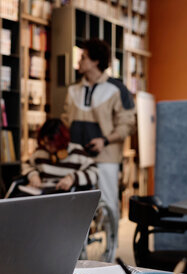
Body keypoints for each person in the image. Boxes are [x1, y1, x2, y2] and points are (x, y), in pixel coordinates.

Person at [61, 39, 136, 246]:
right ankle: (78, 251)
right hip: (76, 158)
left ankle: (111, 250)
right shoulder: (73, 90)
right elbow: (66, 120)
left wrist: (105, 140)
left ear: (95, 61)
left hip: (106, 157)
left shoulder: (117, 89)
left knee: (109, 203)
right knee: (77, 206)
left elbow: (127, 124)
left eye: (83, 57)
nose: (79, 60)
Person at [22, 118, 98, 192]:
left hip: (67, 196)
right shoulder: (41, 152)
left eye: (52, 144)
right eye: (45, 143)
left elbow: (95, 172)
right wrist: (33, 175)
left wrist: (72, 178)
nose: (48, 147)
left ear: (62, 141)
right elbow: (26, 165)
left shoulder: (77, 152)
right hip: (42, 195)